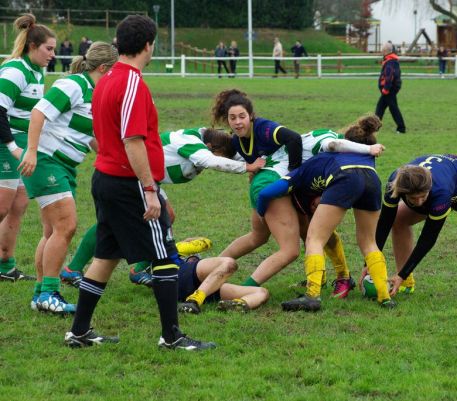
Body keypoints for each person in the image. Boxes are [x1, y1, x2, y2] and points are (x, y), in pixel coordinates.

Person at [64, 15, 215, 351]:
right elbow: (133, 139)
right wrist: (150, 190)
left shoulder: (106, 78)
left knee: (105, 256)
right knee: (162, 256)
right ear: (149, 45)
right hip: (128, 182)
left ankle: (79, 332)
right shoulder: (131, 81)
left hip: (105, 178)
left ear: (119, 44)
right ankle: (171, 336)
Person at [58, 126, 265, 288]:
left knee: (164, 216)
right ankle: (73, 268)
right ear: (211, 147)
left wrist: (260, 160)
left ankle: (139, 270)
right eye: (221, 155)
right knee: (113, 224)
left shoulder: (211, 139)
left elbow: (232, 155)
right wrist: (246, 167)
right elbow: (210, 161)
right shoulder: (192, 143)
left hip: (148, 180)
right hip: (133, 175)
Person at [256, 115, 396, 311]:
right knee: (368, 241)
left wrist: (261, 211)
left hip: (344, 176)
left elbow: (267, 192)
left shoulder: (317, 160)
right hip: (372, 179)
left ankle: (312, 295)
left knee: (315, 238)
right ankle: (384, 296)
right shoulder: (366, 156)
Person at [18, 42, 117, 314]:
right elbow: (38, 113)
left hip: (64, 167)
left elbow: (90, 136)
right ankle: (50, 292)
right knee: (66, 226)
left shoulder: (96, 93)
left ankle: (41, 293)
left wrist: (112, 159)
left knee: (52, 231)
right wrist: (32, 152)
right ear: (104, 68)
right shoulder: (74, 84)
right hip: (48, 162)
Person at [374, 154, 457, 308]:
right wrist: (370, 263)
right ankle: (407, 282)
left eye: (422, 197)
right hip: (447, 183)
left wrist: (401, 274)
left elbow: (428, 238)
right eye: (413, 199)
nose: (419, 203)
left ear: (429, 189)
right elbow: (385, 221)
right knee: (398, 220)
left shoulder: (440, 191)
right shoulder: (395, 184)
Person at [212, 89, 302, 287]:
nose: (237, 122)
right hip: (269, 187)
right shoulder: (237, 140)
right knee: (290, 250)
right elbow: (295, 139)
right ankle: (246, 289)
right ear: (227, 120)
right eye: (232, 118)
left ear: (251, 116)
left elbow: (293, 139)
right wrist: (294, 177)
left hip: (260, 186)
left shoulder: (264, 128)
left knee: (257, 236)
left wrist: (292, 173)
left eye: (242, 116)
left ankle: (209, 268)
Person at [0, 14, 56, 282]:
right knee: (2, 205)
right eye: (49, 49)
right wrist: (11, 146)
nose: (53, 55)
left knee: (19, 204)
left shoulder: (37, 71)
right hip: (6, 143)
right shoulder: (15, 71)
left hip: (21, 145)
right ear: (33, 46)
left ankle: (5, 265)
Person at [177, 255, 269, 314]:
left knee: (262, 292)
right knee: (229, 263)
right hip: (181, 271)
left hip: (202, 287)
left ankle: (237, 305)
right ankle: (193, 301)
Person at [375, 42, 406, 134]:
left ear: (385, 51)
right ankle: (375, 127)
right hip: (389, 89)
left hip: (389, 90)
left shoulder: (390, 62)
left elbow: (389, 77)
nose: (381, 51)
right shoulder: (391, 60)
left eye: (382, 49)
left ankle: (401, 128)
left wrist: (385, 89)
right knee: (380, 107)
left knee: (392, 108)